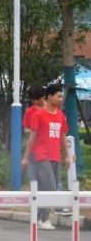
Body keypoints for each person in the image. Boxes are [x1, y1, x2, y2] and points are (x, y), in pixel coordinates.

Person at [22, 84, 72, 230]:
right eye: (58, 96)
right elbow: (32, 138)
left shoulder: (60, 115)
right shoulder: (38, 114)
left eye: (61, 96)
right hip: (41, 155)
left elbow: (63, 136)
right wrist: (26, 157)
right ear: (49, 97)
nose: (61, 99)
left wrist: (67, 156)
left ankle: (38, 218)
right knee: (50, 187)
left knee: (46, 187)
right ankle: (44, 219)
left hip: (55, 155)